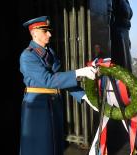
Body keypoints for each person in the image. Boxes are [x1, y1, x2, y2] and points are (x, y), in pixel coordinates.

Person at [19, 16, 98, 155]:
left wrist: (84, 96)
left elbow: (60, 79)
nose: (49, 34)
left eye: (49, 30)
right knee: (39, 147)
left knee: (54, 146)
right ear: (34, 32)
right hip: (37, 108)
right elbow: (48, 80)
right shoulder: (27, 56)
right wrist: (78, 72)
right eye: (45, 31)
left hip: (53, 105)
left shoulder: (49, 52)